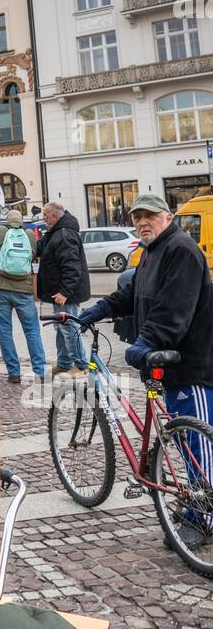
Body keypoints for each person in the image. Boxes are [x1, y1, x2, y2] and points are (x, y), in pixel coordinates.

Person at [78, 193, 213, 547]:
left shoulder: (180, 250)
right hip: (168, 362)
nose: (143, 222)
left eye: (150, 216)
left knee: (200, 446)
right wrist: (99, 308)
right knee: (184, 441)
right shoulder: (153, 252)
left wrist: (146, 342)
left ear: (167, 217)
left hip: (192, 363)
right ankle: (195, 507)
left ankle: (204, 519)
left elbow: (174, 309)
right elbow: (131, 292)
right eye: (137, 217)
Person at [35, 201, 90, 377]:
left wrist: (64, 292)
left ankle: (81, 366)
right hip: (58, 292)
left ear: (54, 216)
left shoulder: (64, 234)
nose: (43, 218)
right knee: (61, 327)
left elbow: (72, 267)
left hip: (65, 294)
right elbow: (40, 250)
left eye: (45, 215)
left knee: (68, 328)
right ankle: (64, 363)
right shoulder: (55, 232)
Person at [0, 211, 47, 383]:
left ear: (7, 220)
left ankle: (14, 373)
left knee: (5, 332)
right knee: (32, 331)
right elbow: (33, 256)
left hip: (1, 288)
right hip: (24, 289)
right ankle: (40, 372)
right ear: (22, 221)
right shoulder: (29, 234)